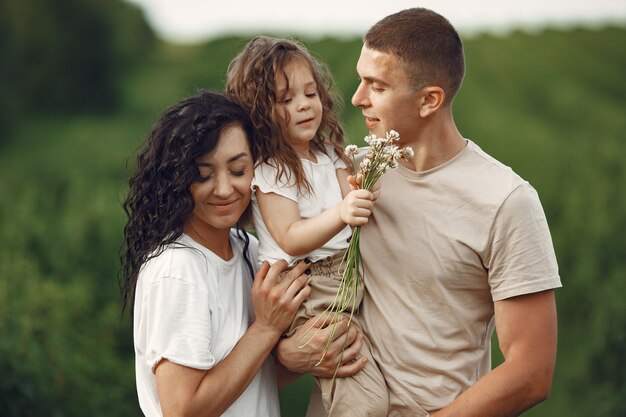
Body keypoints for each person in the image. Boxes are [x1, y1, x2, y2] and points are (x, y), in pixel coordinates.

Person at [276, 8, 562, 417]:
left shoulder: (505, 201)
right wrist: (289, 353)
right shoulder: (350, 178)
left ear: (429, 100)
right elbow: (297, 306)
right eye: (360, 80)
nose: (356, 98)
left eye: (376, 86)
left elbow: (531, 372)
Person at [120, 90, 312, 417]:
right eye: (203, 175)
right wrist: (265, 328)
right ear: (177, 179)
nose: (224, 189)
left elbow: (251, 380)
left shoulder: (249, 249)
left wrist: (304, 355)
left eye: (238, 170)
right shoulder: (179, 269)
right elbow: (182, 409)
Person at [226, 36, 388, 416]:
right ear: (258, 114)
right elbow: (291, 238)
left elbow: (353, 194)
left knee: (341, 388)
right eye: (285, 100)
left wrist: (368, 183)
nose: (303, 105)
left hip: (345, 278)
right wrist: (343, 213)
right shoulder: (272, 169)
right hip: (307, 288)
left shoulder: (328, 153)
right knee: (366, 401)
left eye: (310, 93)